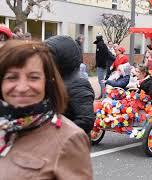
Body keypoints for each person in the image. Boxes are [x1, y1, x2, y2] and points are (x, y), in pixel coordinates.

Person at [0, 40, 93, 179]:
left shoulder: (69, 139)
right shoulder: (4, 127)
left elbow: (87, 118)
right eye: (12, 77)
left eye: (33, 77)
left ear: (47, 82)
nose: (22, 87)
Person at [45, 35, 95, 135]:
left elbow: (86, 121)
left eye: (50, 56)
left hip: (66, 146)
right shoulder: (54, 78)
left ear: (63, 57)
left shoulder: (78, 84)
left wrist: (54, 131)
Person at [94, 33, 115, 99]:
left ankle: (104, 95)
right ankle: (102, 95)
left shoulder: (101, 45)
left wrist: (114, 58)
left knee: (101, 81)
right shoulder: (101, 44)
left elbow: (107, 53)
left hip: (101, 65)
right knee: (101, 81)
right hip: (101, 65)